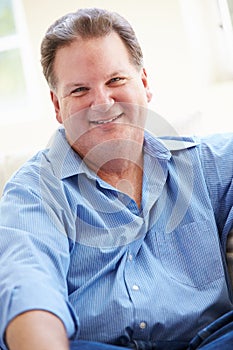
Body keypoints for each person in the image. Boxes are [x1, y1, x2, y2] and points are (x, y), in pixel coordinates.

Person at [0, 7, 233, 350]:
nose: (102, 102)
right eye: (79, 90)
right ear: (57, 105)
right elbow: (28, 288)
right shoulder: (34, 191)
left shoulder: (207, 164)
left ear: (144, 83)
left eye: (115, 80)